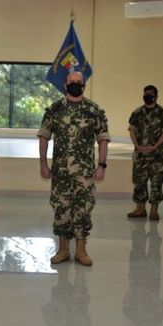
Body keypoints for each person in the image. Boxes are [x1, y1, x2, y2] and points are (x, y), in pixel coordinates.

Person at [38, 70, 110, 266]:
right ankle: (62, 250)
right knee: (61, 208)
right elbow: (44, 137)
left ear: (84, 86)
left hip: (85, 173)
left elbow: (103, 139)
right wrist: (43, 164)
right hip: (60, 172)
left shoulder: (93, 110)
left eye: (79, 82)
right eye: (72, 82)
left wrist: (102, 165)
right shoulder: (54, 110)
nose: (75, 84)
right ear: (65, 85)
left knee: (83, 209)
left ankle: (81, 250)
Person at [127, 85, 163, 220]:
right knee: (139, 182)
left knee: (156, 182)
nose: (147, 96)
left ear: (156, 96)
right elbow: (132, 131)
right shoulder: (137, 112)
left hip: (156, 155)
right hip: (140, 154)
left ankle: (154, 210)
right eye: (145, 94)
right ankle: (140, 208)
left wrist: (155, 146)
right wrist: (138, 146)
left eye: (150, 94)